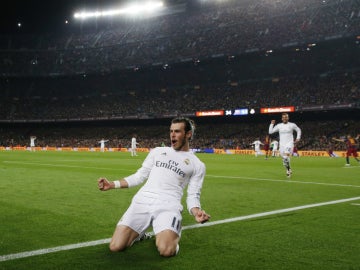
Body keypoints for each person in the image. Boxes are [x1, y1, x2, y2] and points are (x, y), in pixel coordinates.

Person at [97, 117, 211, 257]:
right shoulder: (157, 151)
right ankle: (140, 234)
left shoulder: (197, 165)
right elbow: (139, 176)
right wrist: (112, 184)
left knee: (167, 251)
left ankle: (170, 232)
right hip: (143, 201)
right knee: (116, 246)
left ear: (188, 134)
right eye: (171, 131)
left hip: (168, 205)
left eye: (177, 131)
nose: (172, 135)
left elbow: (193, 195)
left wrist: (196, 212)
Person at [269, 113, 301, 177]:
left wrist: (298, 138)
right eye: (283, 117)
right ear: (282, 118)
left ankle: (288, 170)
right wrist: (272, 124)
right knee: (284, 160)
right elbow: (270, 132)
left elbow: (298, 130)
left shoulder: (292, 125)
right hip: (282, 145)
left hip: (289, 143)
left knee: (286, 156)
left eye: (286, 117)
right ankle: (288, 169)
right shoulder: (279, 125)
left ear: (288, 118)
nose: (285, 118)